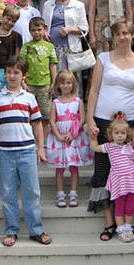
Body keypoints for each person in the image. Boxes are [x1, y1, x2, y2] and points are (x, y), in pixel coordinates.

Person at [85, 18, 134, 241]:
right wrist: (90, 120)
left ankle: (128, 224)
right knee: (103, 170)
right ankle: (110, 224)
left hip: (128, 124)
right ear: (113, 37)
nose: (122, 37)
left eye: (126, 33)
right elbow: (93, 91)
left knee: (129, 171)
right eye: (118, 33)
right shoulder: (103, 59)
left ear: (132, 35)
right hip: (103, 122)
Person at [0, 57, 52, 247]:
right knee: (7, 193)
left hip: (27, 152)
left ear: (24, 75)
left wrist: (41, 147)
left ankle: (36, 229)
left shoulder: (29, 98)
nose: (12, 76)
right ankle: (11, 230)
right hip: (5, 153)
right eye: (9, 72)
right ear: (5, 74)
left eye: (16, 72)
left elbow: (37, 123)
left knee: (32, 192)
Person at [89, 112, 134, 242]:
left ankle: (128, 228)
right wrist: (93, 137)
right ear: (111, 134)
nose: (120, 136)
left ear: (127, 135)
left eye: (123, 133)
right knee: (119, 206)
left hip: (131, 181)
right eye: (116, 133)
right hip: (119, 182)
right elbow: (95, 148)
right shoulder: (109, 147)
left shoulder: (129, 147)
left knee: (130, 206)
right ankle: (120, 229)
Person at [45, 69, 92, 208]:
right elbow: (52, 120)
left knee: (73, 166)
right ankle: (60, 194)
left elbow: (82, 118)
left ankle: (73, 194)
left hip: (74, 137)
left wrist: (74, 132)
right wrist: (58, 135)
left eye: (69, 83)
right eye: (63, 83)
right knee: (59, 168)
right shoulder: (56, 102)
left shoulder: (77, 101)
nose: (66, 86)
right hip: (59, 137)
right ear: (58, 85)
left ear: (73, 84)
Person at [42, 0, 90, 89]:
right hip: (52, 47)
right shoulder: (48, 4)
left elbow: (84, 28)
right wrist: (44, 31)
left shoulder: (78, 5)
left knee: (71, 78)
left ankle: (74, 102)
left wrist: (70, 29)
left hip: (71, 48)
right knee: (55, 77)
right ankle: (56, 102)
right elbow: (43, 24)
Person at [19, 17, 58, 122]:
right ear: (29, 31)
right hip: (29, 85)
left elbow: (53, 66)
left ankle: (43, 138)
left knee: (45, 116)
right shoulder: (26, 46)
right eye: (33, 30)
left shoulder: (50, 47)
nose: (36, 33)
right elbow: (21, 66)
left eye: (39, 30)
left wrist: (54, 83)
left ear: (45, 29)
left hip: (45, 85)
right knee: (28, 114)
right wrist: (22, 82)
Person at [0, 4, 23, 88]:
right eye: (8, 19)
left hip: (8, 73)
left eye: (13, 21)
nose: (10, 23)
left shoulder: (16, 36)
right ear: (3, 16)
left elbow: (16, 57)